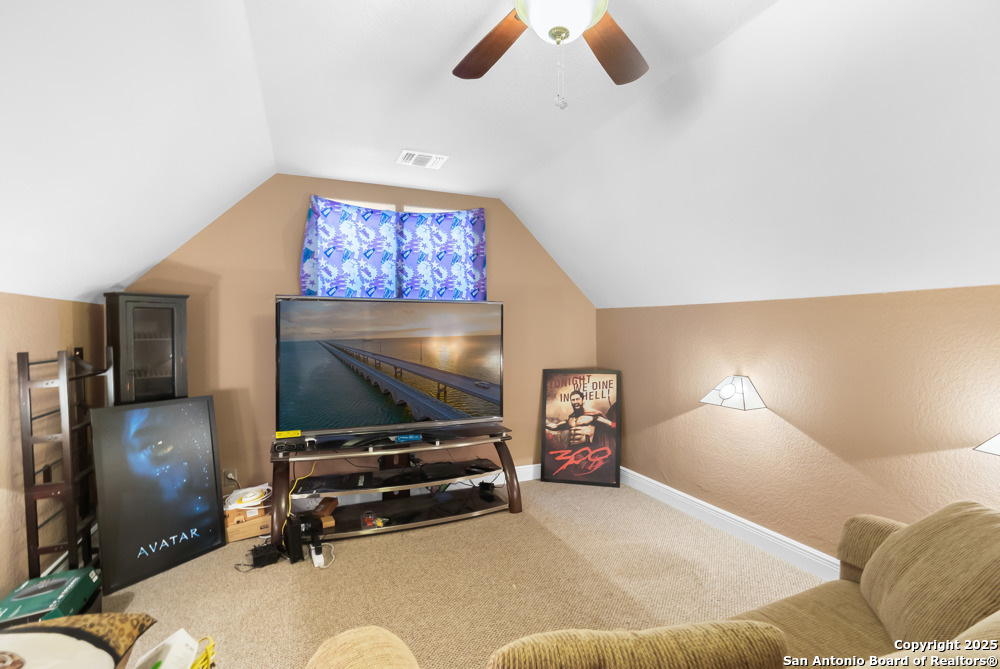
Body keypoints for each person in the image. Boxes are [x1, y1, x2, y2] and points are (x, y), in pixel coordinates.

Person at [546, 390, 616, 447]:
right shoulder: (570, 419)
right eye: (573, 400)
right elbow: (555, 426)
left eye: (577, 399)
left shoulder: (591, 416)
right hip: (572, 449)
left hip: (586, 449)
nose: (575, 402)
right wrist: (542, 424)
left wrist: (616, 426)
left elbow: (610, 424)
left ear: (582, 400)